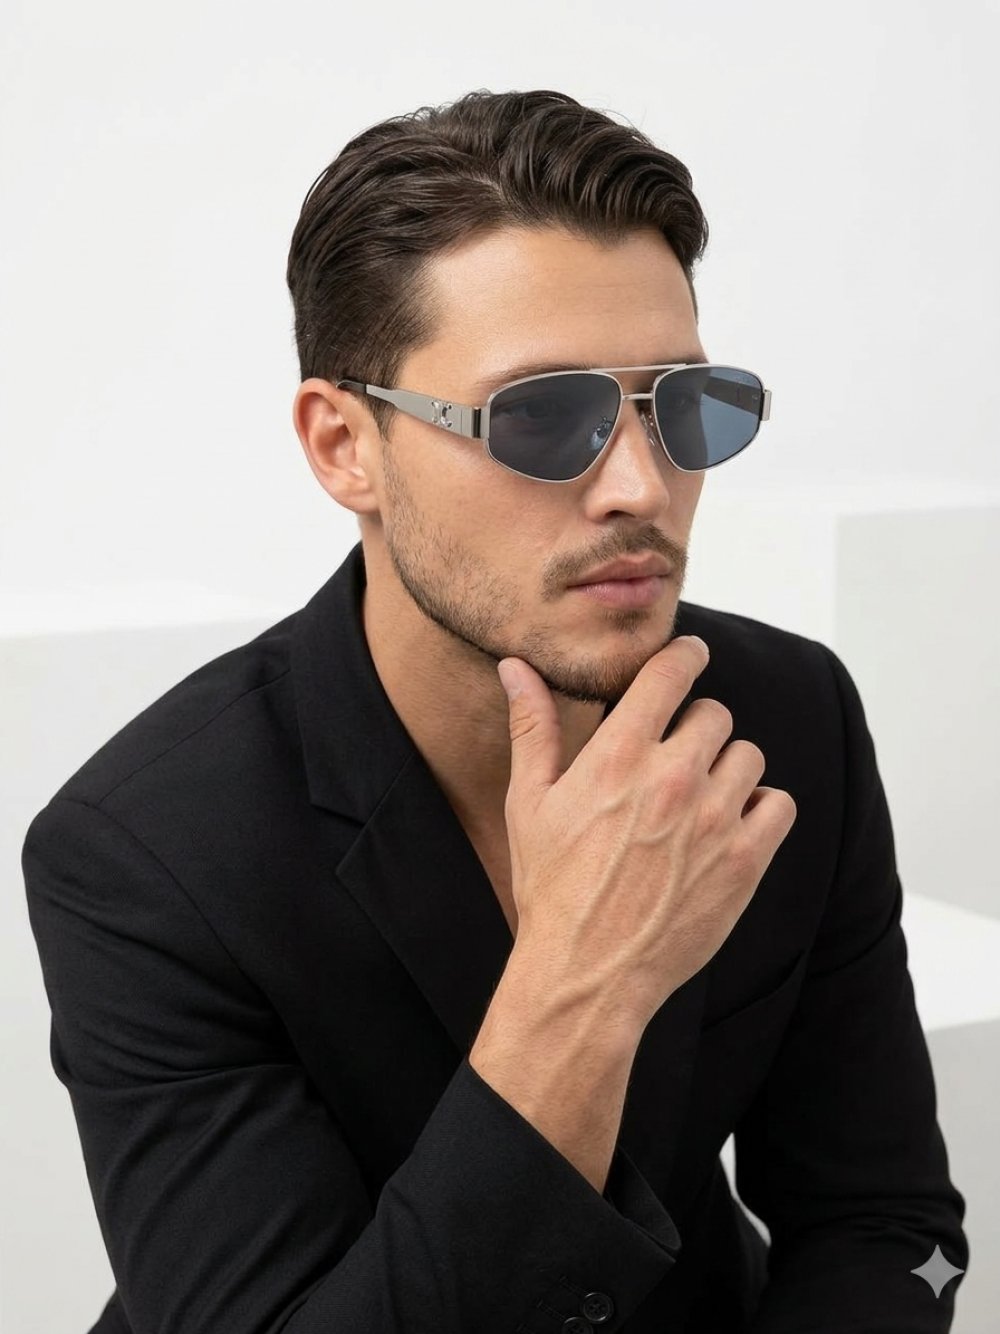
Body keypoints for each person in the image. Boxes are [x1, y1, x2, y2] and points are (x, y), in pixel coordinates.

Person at [21, 88, 968, 1334]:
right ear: (344, 445)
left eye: (682, 406)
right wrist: (580, 981)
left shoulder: (788, 717)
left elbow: (882, 1221)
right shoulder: (150, 853)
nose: (640, 487)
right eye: (541, 417)